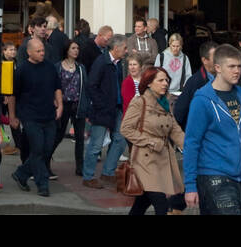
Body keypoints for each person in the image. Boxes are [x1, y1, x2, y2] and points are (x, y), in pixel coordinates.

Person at [182, 44, 241, 215]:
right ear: (218, 68)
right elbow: (191, 143)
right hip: (213, 175)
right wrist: (190, 185)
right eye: (231, 66)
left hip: (239, 176)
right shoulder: (202, 100)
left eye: (239, 66)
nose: (237, 71)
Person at [120, 66, 186, 215]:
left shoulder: (165, 103)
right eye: (161, 80)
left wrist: (189, 147)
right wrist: (150, 141)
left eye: (167, 80)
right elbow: (125, 129)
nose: (165, 83)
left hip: (163, 158)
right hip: (145, 160)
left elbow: (174, 129)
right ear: (149, 83)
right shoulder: (140, 102)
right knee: (162, 205)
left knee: (142, 203)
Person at [8, 37, 63, 197]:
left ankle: (21, 173)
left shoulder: (50, 68)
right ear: (29, 52)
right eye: (38, 51)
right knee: (38, 149)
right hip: (30, 116)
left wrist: (60, 105)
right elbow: (12, 95)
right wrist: (12, 116)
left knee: (47, 150)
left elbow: (57, 87)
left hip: (49, 115)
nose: (42, 53)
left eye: (43, 51)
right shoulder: (22, 70)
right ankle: (42, 184)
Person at [82, 37, 128, 188]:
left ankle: (108, 172)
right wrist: (101, 105)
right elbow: (91, 86)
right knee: (96, 144)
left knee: (120, 139)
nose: (126, 51)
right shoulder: (101, 62)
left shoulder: (118, 63)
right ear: (116, 48)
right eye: (125, 48)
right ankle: (88, 176)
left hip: (116, 108)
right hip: (102, 110)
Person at [51, 38, 87, 177]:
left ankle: (80, 166)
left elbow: (85, 86)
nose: (76, 51)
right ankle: (46, 160)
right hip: (63, 104)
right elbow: (53, 85)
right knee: (58, 135)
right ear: (67, 50)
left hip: (77, 104)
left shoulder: (81, 67)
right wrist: (55, 101)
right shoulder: (58, 66)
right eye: (73, 48)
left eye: (77, 48)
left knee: (79, 137)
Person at [174, 40, 218, 129]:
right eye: (215, 58)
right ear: (205, 60)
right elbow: (179, 113)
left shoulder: (225, 80)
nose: (220, 61)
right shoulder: (194, 82)